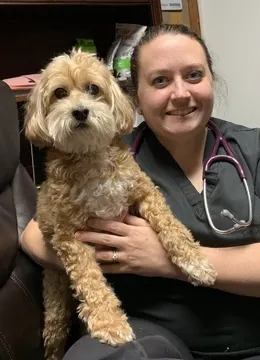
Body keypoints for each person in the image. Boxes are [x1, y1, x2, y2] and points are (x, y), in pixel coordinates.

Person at [20, 24, 260, 360]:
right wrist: (101, 257)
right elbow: (34, 235)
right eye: (160, 80)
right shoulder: (102, 154)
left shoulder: (253, 147)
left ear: (211, 80)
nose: (180, 93)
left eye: (193, 75)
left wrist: (166, 261)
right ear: (135, 96)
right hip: (154, 337)